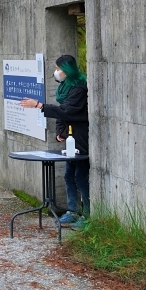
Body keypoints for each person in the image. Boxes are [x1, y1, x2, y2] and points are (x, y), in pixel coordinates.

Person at [20, 54, 89, 229]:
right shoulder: (65, 87)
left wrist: (39, 106)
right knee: (68, 175)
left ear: (67, 70)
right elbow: (61, 113)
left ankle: (86, 214)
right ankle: (72, 211)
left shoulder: (80, 87)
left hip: (81, 136)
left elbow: (67, 111)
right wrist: (60, 131)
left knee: (80, 176)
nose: (56, 72)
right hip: (70, 136)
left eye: (59, 69)